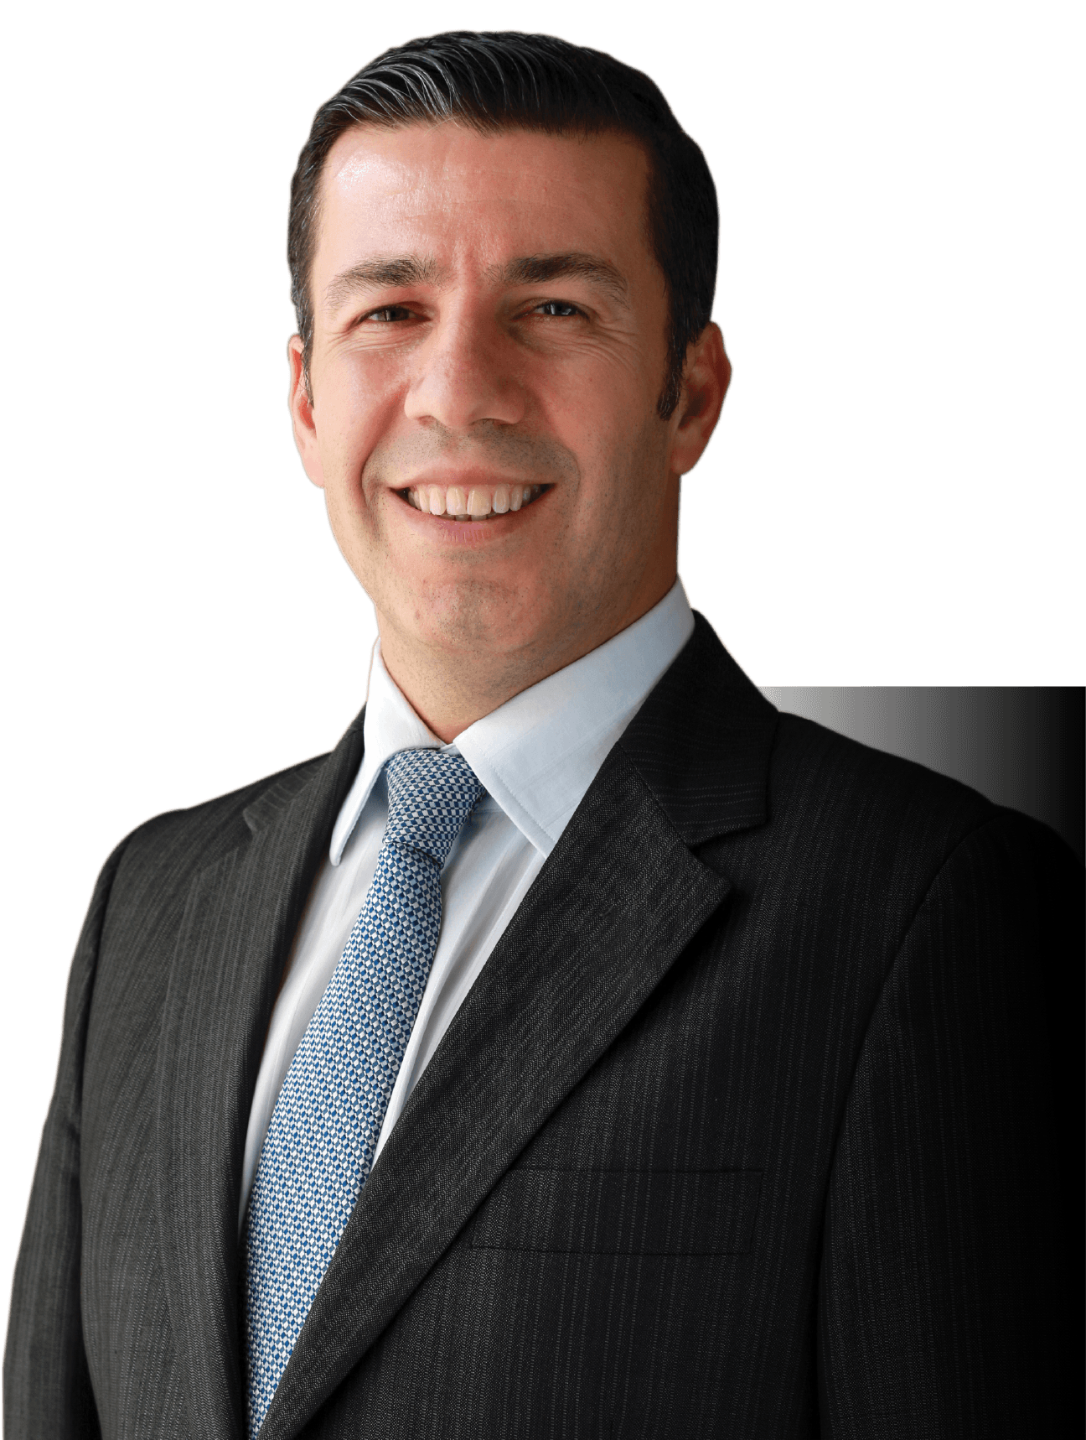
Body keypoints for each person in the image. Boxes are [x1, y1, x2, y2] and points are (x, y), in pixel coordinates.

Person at [4, 29, 1078, 1439]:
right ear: (306, 400)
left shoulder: (915, 906)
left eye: (554, 308)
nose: (459, 391)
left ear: (693, 394)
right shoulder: (151, 903)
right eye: (392, 310)